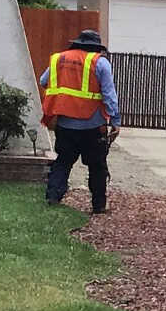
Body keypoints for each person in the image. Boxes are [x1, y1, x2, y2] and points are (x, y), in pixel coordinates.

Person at [40, 28, 120, 211]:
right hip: (93, 124)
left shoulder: (58, 59)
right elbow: (109, 95)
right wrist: (115, 121)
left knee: (63, 161)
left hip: (65, 123)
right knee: (96, 165)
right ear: (96, 47)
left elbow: (44, 81)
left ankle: (53, 197)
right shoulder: (100, 63)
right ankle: (98, 205)